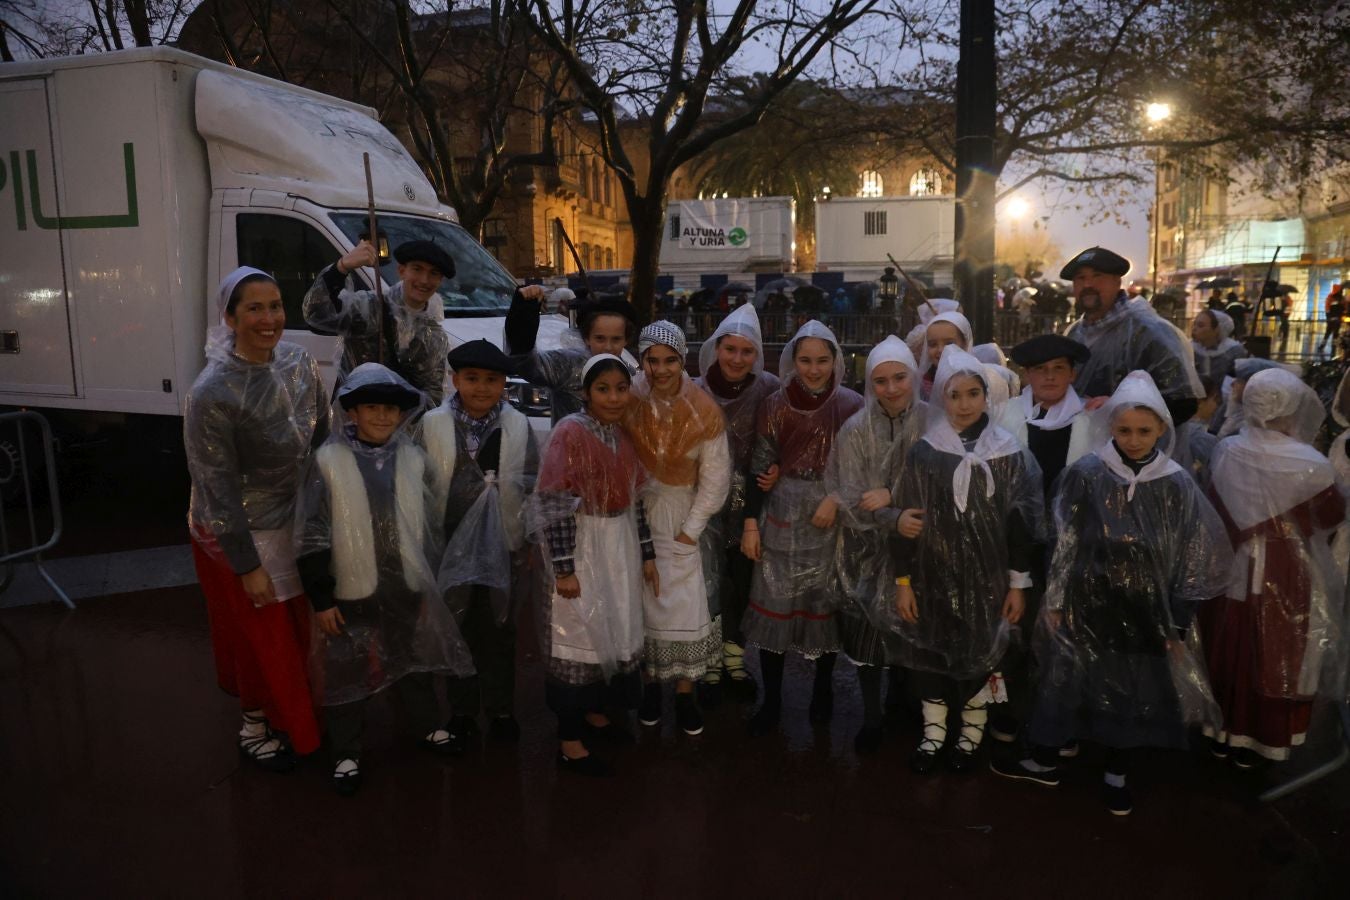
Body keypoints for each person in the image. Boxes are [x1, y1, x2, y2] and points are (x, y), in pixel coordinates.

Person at [991, 371, 1231, 816]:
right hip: (1088, 597)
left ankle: (1117, 771)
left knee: (1135, 686)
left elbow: (1193, 556)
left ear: (1162, 429)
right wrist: (1058, 600)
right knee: (1068, 677)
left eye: (1144, 430)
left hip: (1146, 608)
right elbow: (1064, 540)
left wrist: (1177, 617)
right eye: (1124, 430)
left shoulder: (1176, 483)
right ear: (1110, 428)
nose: (1134, 440)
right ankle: (1049, 752)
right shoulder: (1086, 474)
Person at [295, 363, 474, 796]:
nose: (381, 416)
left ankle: (427, 725)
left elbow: (430, 527)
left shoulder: (413, 459)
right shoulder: (329, 461)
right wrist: (321, 598)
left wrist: (429, 583)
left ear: (401, 415)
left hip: (405, 585)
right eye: (371, 407)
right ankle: (346, 750)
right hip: (348, 591)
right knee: (346, 669)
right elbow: (311, 535)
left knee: (411, 661)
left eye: (390, 409)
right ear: (352, 412)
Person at [185, 266, 329, 774]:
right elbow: (215, 487)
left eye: (275, 306)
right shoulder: (212, 393)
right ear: (229, 317)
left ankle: (296, 714)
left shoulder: (298, 362)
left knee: (296, 631)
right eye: (254, 308)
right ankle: (253, 725)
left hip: (297, 519)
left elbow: (322, 437)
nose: (269, 319)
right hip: (245, 535)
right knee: (260, 636)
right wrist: (245, 563)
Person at [890, 345, 1043, 774]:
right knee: (930, 655)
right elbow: (907, 519)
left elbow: (1020, 524)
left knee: (985, 653)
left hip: (988, 580)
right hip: (931, 576)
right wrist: (903, 581)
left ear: (986, 396)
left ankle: (971, 732)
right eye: (954, 395)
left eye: (972, 393)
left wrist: (1018, 582)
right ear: (942, 397)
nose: (963, 404)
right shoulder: (924, 452)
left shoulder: (1008, 453)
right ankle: (934, 732)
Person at [1199, 368, 1347, 769]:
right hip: (1287, 572)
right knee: (1276, 653)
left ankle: (1223, 732)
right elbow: (1330, 515)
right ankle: (1262, 739)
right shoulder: (1311, 464)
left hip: (1231, 567)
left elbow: (1215, 506)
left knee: (1229, 647)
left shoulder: (1227, 450)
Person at [531, 354, 660, 777]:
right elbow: (555, 503)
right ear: (586, 393)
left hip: (618, 544)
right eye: (603, 389)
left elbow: (636, 499)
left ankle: (595, 714)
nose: (614, 397)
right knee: (579, 633)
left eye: (622, 388)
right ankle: (568, 741)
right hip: (584, 545)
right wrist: (564, 567)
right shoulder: (569, 433)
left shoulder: (621, 436)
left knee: (614, 627)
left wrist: (646, 554)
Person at [740, 320, 864, 736]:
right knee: (775, 604)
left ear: (835, 361)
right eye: (806, 360)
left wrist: (838, 497)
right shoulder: (775, 404)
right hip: (783, 512)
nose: (813, 370)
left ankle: (823, 691)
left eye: (822, 361)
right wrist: (752, 524)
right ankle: (771, 700)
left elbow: (862, 467)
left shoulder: (850, 404)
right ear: (793, 360)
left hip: (831, 517)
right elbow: (760, 465)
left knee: (822, 605)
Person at [423, 339, 539, 745]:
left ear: (504, 383)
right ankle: (462, 710)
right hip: (449, 541)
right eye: (471, 379)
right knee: (457, 626)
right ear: (455, 380)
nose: (481, 388)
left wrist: (524, 541)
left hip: (502, 545)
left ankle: (501, 707)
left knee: (499, 627)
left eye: (492, 380)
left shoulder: (517, 426)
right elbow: (420, 487)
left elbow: (530, 483)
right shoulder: (433, 425)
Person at [624, 322, 731, 735]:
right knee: (642, 606)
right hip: (636, 514)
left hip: (681, 513)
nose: (662, 369)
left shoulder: (702, 409)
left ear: (682, 359)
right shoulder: (629, 399)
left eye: (670, 360)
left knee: (685, 605)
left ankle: (684, 693)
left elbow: (715, 478)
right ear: (644, 360)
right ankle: (650, 687)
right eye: (653, 360)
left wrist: (691, 531)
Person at [826, 335, 928, 753]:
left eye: (899, 377)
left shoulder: (933, 420)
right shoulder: (855, 430)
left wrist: (892, 496)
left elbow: (939, 485)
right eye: (881, 380)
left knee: (910, 629)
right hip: (864, 550)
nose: (891, 388)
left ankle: (902, 704)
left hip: (918, 545)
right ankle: (872, 717)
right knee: (867, 634)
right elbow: (851, 495)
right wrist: (893, 515)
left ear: (914, 376)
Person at [693, 304, 783, 701]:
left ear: (757, 355)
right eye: (730, 349)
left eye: (747, 352)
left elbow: (785, 438)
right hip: (703, 502)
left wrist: (780, 466)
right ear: (716, 348)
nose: (737, 359)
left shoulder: (769, 388)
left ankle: (734, 657)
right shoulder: (694, 391)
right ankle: (710, 661)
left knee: (745, 582)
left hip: (752, 505)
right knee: (708, 582)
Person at [303, 239, 457, 406]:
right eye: (417, 269)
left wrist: (404, 415)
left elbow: (432, 397)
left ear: (440, 280)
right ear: (402, 271)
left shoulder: (435, 335)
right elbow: (316, 313)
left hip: (401, 427)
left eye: (433, 273)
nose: (424, 280)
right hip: (354, 421)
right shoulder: (369, 308)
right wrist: (341, 267)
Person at [1060, 246, 1202, 421]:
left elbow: (1183, 402)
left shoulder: (1150, 332)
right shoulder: (1074, 333)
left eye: (1097, 276)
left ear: (1117, 281)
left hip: (1135, 447)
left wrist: (1120, 408)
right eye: (1081, 278)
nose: (1088, 284)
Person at [504, 287, 638, 423]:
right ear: (587, 338)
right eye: (600, 339)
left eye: (616, 339)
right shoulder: (570, 364)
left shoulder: (632, 374)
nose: (608, 347)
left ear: (625, 340)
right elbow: (525, 362)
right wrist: (525, 309)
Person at [1214, 357, 1294, 439]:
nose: (1232, 384)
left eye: (1239, 381)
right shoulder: (1233, 407)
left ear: (1254, 385)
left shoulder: (1261, 424)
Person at [1172, 375, 1222, 485]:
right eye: (1214, 399)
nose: (1215, 406)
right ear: (1200, 401)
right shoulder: (1204, 439)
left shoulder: (1169, 429)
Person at [915, 310, 974, 401]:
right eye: (933, 344)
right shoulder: (921, 386)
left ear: (964, 344)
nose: (940, 350)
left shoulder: (978, 380)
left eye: (949, 343)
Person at [1191, 308, 1249, 383]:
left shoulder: (1234, 351)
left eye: (1201, 325)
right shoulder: (1190, 348)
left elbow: (1240, 380)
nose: (1194, 329)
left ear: (1217, 329)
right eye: (1194, 324)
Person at [1319, 284, 1345, 356]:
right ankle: (1332, 348)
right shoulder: (1339, 298)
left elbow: (1327, 309)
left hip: (1333, 320)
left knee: (1328, 334)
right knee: (1334, 334)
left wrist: (1328, 318)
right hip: (1336, 319)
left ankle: (1324, 347)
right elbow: (1343, 308)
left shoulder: (1331, 297)